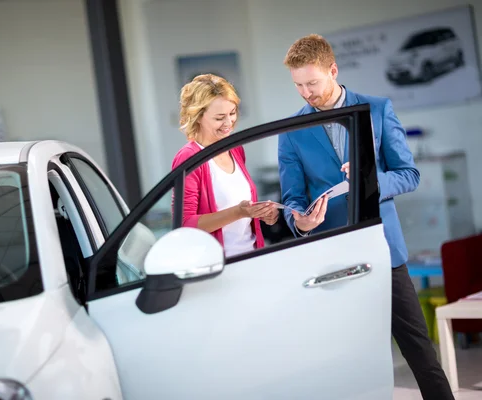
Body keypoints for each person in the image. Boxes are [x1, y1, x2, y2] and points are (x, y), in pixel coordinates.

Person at [278, 34, 454, 399]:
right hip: (331, 256)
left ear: (333, 70)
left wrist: (371, 181)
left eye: (312, 83)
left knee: (419, 349)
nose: (306, 93)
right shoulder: (291, 131)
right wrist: (300, 221)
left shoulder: (377, 109)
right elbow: (293, 199)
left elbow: (409, 174)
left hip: (384, 250)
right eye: (298, 86)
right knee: (346, 355)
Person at [172, 74, 278, 257]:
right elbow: (185, 224)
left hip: (252, 256)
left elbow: (240, 215)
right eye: (219, 117)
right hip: (218, 266)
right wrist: (239, 212)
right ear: (197, 117)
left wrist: (262, 214)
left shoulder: (235, 149)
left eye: (232, 113)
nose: (229, 123)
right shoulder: (188, 158)